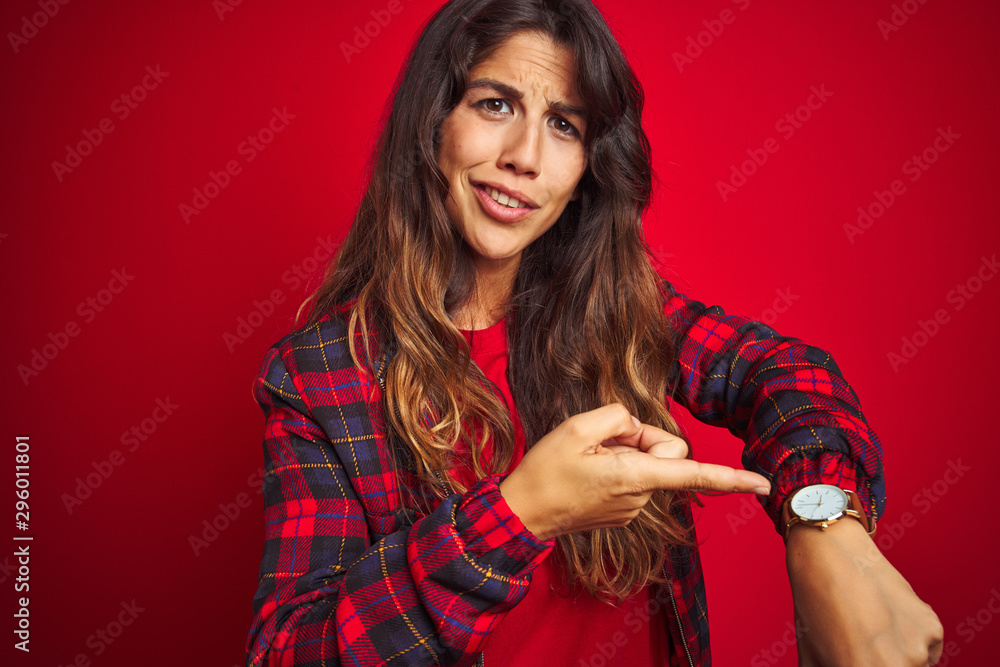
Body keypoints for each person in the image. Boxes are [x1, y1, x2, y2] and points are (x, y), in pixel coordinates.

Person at [244, 0, 943, 665]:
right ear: (433, 123)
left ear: (585, 171)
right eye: (495, 105)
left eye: (565, 126)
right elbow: (290, 651)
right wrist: (518, 514)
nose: (525, 155)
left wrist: (821, 526)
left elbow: (789, 375)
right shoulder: (319, 376)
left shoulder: (621, 318)